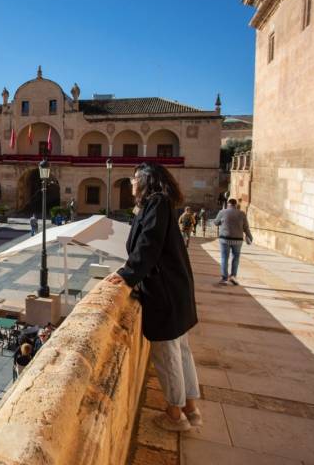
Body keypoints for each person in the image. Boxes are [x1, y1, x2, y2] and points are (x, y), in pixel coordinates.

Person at [106, 162, 201, 432]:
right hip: (174, 289)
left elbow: (149, 242)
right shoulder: (159, 204)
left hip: (165, 292)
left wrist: (128, 275)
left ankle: (175, 415)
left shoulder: (157, 204)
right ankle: (191, 410)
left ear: (146, 180)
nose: (131, 182)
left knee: (168, 354)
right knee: (181, 351)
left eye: (135, 178)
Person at [214, 198, 253, 286]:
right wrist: (250, 236)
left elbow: (216, 223)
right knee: (236, 258)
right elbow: (246, 227)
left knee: (224, 258)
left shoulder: (222, 212)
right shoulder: (242, 213)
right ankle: (233, 276)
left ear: (228, 204)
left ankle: (224, 278)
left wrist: (222, 222)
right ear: (236, 205)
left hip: (225, 239)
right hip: (238, 240)